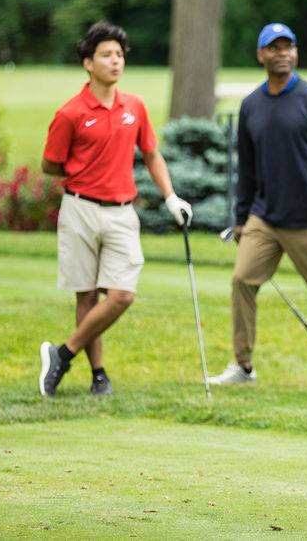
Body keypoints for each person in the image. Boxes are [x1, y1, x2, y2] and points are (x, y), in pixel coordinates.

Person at [39, 20, 192, 397]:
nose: (115, 61)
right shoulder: (71, 113)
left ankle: (62, 353)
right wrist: (80, 171)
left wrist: (170, 196)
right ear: (88, 63)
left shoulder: (134, 107)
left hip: (122, 211)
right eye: (106, 55)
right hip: (80, 209)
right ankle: (98, 376)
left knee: (121, 295)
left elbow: (152, 154)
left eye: (120, 55)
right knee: (87, 296)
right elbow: (50, 164)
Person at [210, 22, 307, 387]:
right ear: (261, 55)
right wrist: (242, 217)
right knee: (242, 279)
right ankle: (243, 366)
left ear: (296, 52)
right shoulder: (251, 105)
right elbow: (248, 167)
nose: (282, 53)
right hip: (265, 218)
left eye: (288, 47)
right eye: (274, 48)